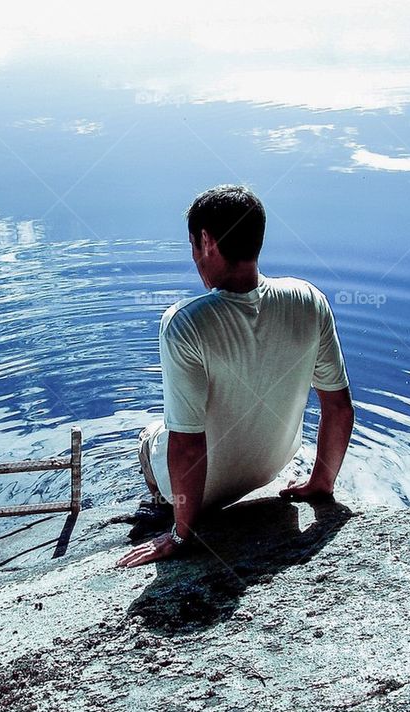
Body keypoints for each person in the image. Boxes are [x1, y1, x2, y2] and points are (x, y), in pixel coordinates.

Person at [116, 184, 355, 569]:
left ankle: (166, 508)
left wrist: (181, 535)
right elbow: (340, 408)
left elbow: (188, 445)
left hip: (203, 493)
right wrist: (321, 483)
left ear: (206, 241)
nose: (194, 259)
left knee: (150, 437)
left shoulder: (185, 322)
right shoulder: (309, 299)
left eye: (193, 246)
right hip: (271, 466)